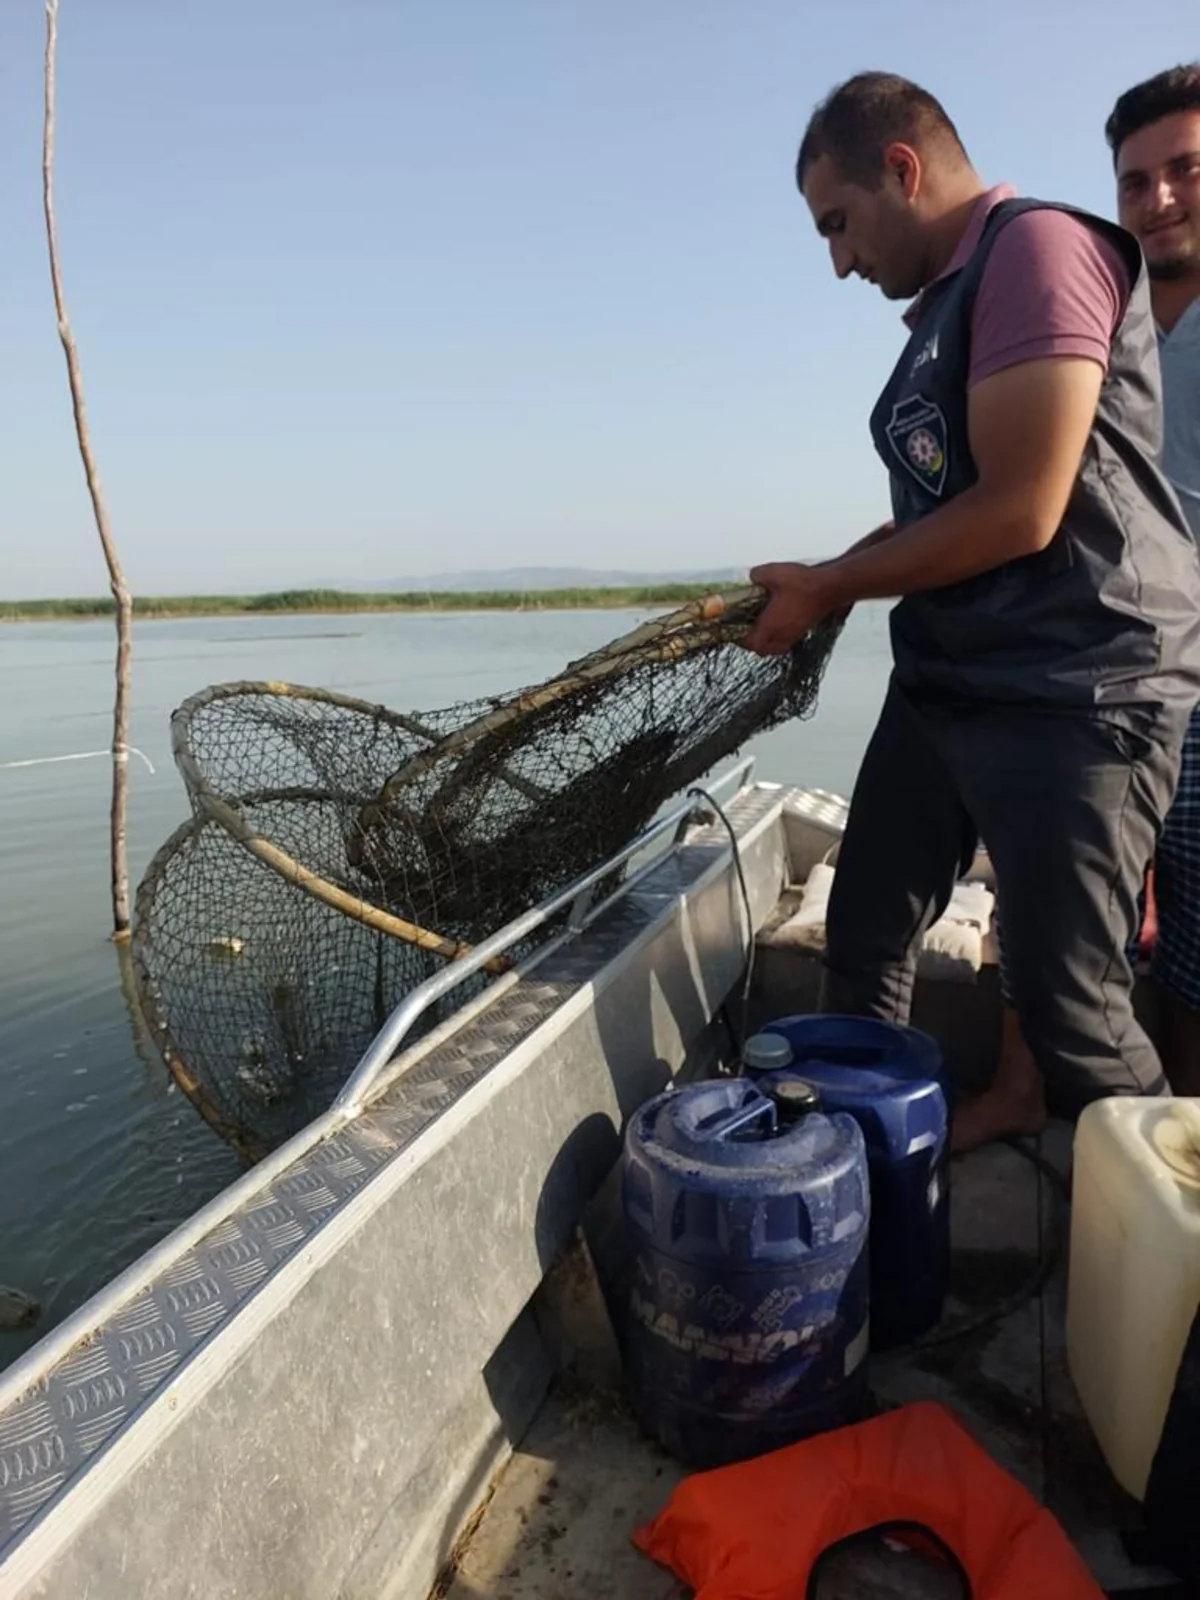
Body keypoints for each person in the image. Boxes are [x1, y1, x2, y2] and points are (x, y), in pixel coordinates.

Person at [739, 72, 1200, 1148]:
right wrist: (823, 573)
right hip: (952, 680)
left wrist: (833, 589)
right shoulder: (947, 304)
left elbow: (1024, 510)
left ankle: (1168, 1246)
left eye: (840, 224)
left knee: (1075, 1015)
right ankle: (854, 1155)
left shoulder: (1037, 253)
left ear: (903, 169)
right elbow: (939, 509)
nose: (840, 259)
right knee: (865, 928)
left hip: (1077, 688)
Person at [989, 64, 1200, 1131]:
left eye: (1186, 172)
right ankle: (1032, 1096)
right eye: (1135, 181)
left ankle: (1173, 1160)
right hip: (1102, 657)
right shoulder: (1098, 300)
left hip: (1179, 668)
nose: (1158, 198)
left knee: (1188, 943)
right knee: (1067, 912)